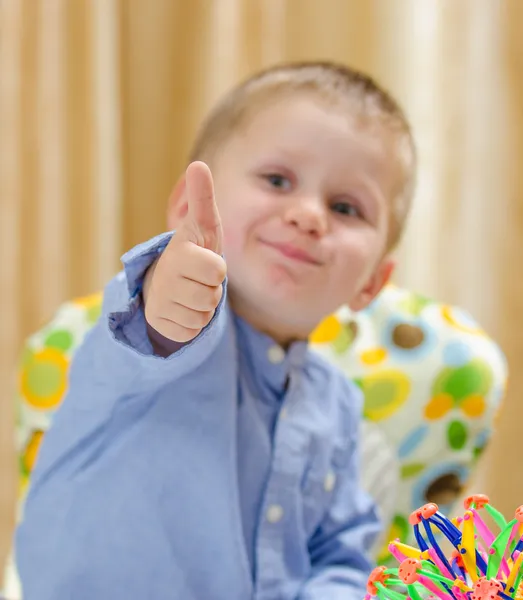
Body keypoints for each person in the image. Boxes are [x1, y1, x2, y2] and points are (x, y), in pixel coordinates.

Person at [15, 61, 416, 600]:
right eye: (277, 180)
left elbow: (338, 554)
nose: (307, 215)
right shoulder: (160, 328)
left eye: (345, 207)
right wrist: (171, 288)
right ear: (187, 206)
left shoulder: (339, 406)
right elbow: (155, 329)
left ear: (372, 283)